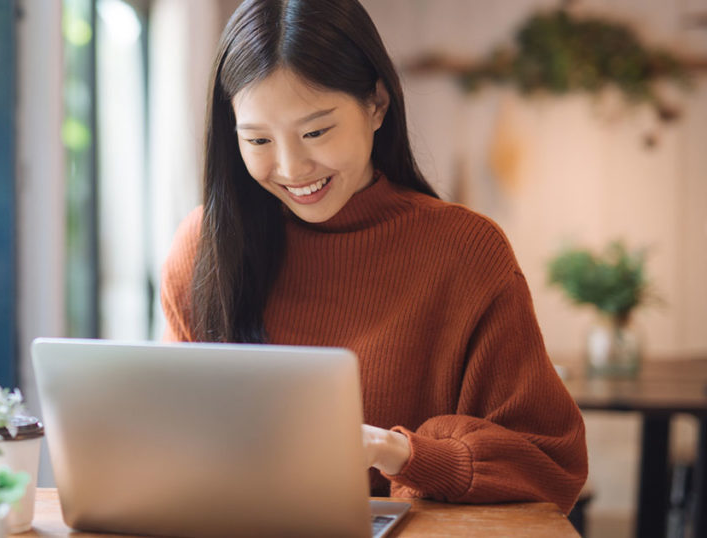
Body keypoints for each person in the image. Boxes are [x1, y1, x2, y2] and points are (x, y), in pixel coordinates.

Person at [159, 0, 588, 514]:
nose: (292, 167)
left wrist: (406, 454)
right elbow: (174, 441)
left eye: (316, 131)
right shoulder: (203, 247)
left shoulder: (466, 254)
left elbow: (552, 465)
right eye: (258, 139)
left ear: (377, 104)